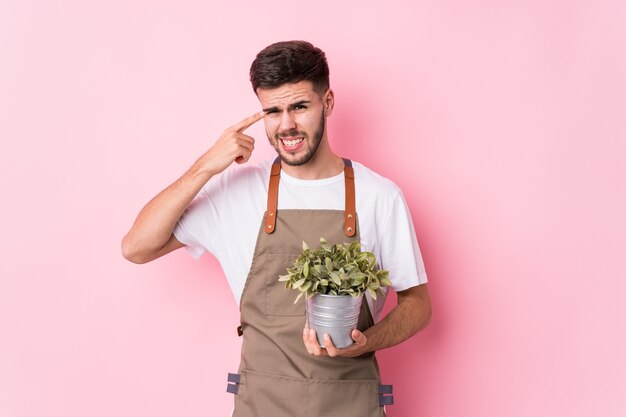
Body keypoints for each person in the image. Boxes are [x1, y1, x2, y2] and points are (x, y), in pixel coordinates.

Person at [122, 40, 431, 417]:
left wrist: (364, 342)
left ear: (328, 103)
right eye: (272, 110)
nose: (286, 125)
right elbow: (137, 247)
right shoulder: (236, 193)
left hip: (350, 405)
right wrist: (205, 166)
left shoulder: (379, 196)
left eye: (299, 107)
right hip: (261, 405)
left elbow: (418, 304)